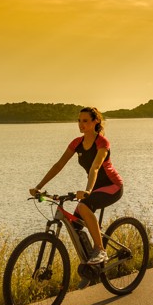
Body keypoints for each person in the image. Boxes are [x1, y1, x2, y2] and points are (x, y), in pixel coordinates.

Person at [29, 107, 123, 264]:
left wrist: (87, 190)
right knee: (75, 226)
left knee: (84, 206)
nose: (81, 124)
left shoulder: (102, 142)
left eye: (85, 121)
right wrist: (39, 186)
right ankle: (90, 268)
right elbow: (59, 165)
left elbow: (95, 167)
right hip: (94, 188)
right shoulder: (76, 143)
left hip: (112, 186)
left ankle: (100, 250)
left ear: (96, 122)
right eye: (79, 121)